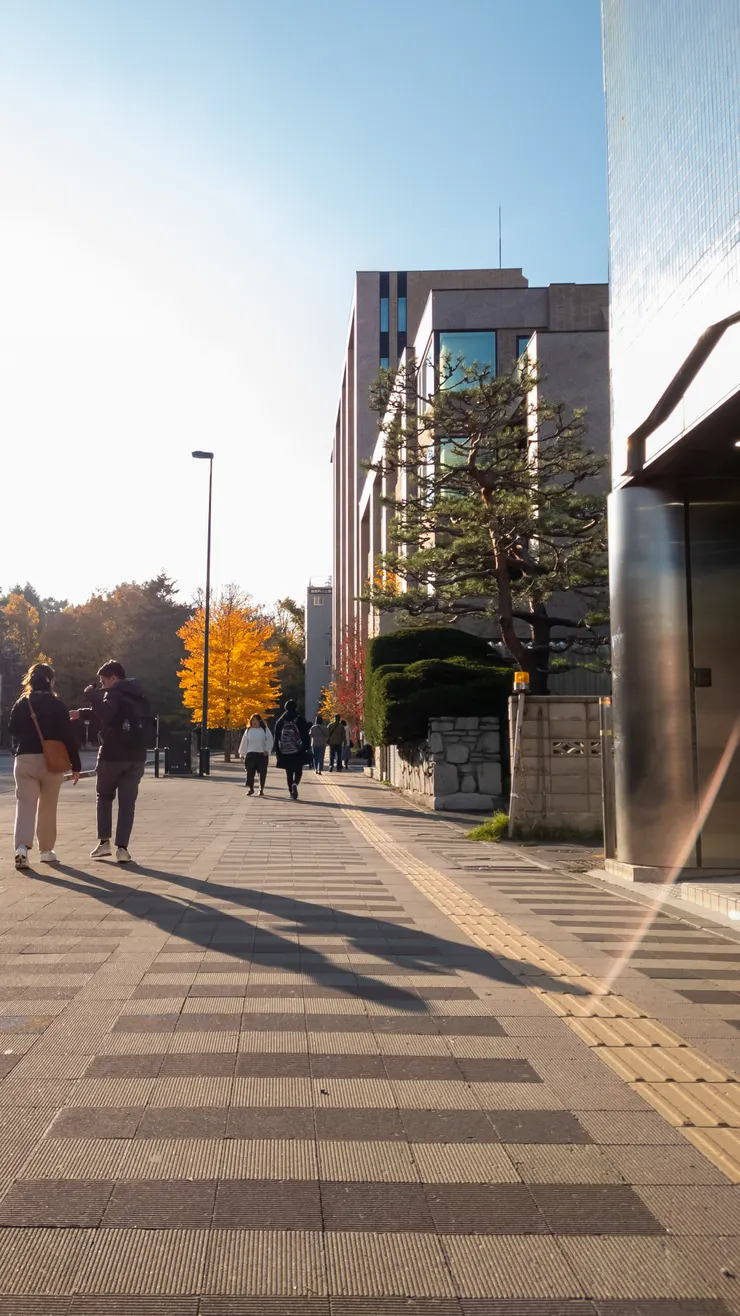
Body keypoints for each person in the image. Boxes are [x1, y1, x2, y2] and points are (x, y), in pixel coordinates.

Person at [70, 660, 150, 863]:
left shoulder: (114, 692)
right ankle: (122, 848)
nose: (102, 685)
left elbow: (106, 713)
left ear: (113, 678)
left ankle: (104, 843)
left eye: (103, 681)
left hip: (112, 756)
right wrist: (83, 713)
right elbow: (110, 715)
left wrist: (90, 695)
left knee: (104, 797)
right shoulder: (137, 695)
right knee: (127, 804)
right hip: (136, 757)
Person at [9, 663, 81, 868]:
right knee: (48, 806)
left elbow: (12, 728)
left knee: (25, 804)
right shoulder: (57, 705)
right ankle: (46, 851)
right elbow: (68, 736)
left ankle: (21, 847)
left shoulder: (22, 702)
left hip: (24, 759)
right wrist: (75, 765)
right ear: (50, 681)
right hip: (52, 761)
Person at [273, 698, 310, 799]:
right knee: (298, 770)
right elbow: (306, 735)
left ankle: (291, 791)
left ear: (285, 708)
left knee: (289, 772)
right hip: (299, 750)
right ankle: (295, 783)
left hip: (285, 751)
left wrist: (277, 751)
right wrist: (306, 747)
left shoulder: (280, 721)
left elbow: (276, 737)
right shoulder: (300, 719)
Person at [238, 714, 273, 795]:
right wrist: (242, 753)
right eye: (253, 720)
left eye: (256, 720)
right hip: (250, 754)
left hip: (262, 755)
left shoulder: (265, 730)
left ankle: (261, 789)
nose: (254, 722)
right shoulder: (248, 730)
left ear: (259, 721)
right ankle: (251, 788)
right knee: (250, 772)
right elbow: (244, 742)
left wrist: (267, 750)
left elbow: (270, 740)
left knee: (262, 773)